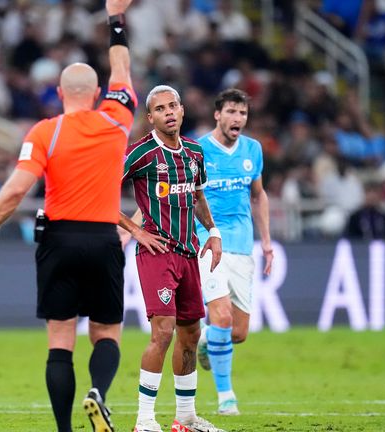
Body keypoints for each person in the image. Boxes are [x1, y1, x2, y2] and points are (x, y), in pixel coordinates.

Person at [0, 1, 137, 431]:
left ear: (60, 95)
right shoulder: (117, 119)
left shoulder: (46, 131)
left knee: (60, 343)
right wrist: (114, 19)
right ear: (98, 94)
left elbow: (16, 189)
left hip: (58, 241)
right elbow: (122, 69)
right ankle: (98, 392)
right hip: (103, 239)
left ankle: (63, 430)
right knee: (106, 335)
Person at [122, 85, 225, 432]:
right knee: (162, 333)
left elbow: (196, 196)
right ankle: (144, 420)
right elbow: (100, 191)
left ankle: (185, 418)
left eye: (173, 106)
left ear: (181, 110)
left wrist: (213, 232)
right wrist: (135, 231)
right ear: (150, 117)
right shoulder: (141, 154)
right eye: (160, 108)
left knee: (191, 334)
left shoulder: (194, 152)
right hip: (156, 253)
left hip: (188, 253)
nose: (168, 112)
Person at [192, 88, 273, 415]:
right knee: (222, 314)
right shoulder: (198, 150)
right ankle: (227, 397)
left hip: (242, 244)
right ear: (218, 114)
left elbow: (258, 195)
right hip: (208, 241)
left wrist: (266, 241)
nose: (237, 119)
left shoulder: (252, 150)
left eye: (242, 113)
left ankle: (205, 338)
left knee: (236, 332)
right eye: (231, 112)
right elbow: (185, 194)